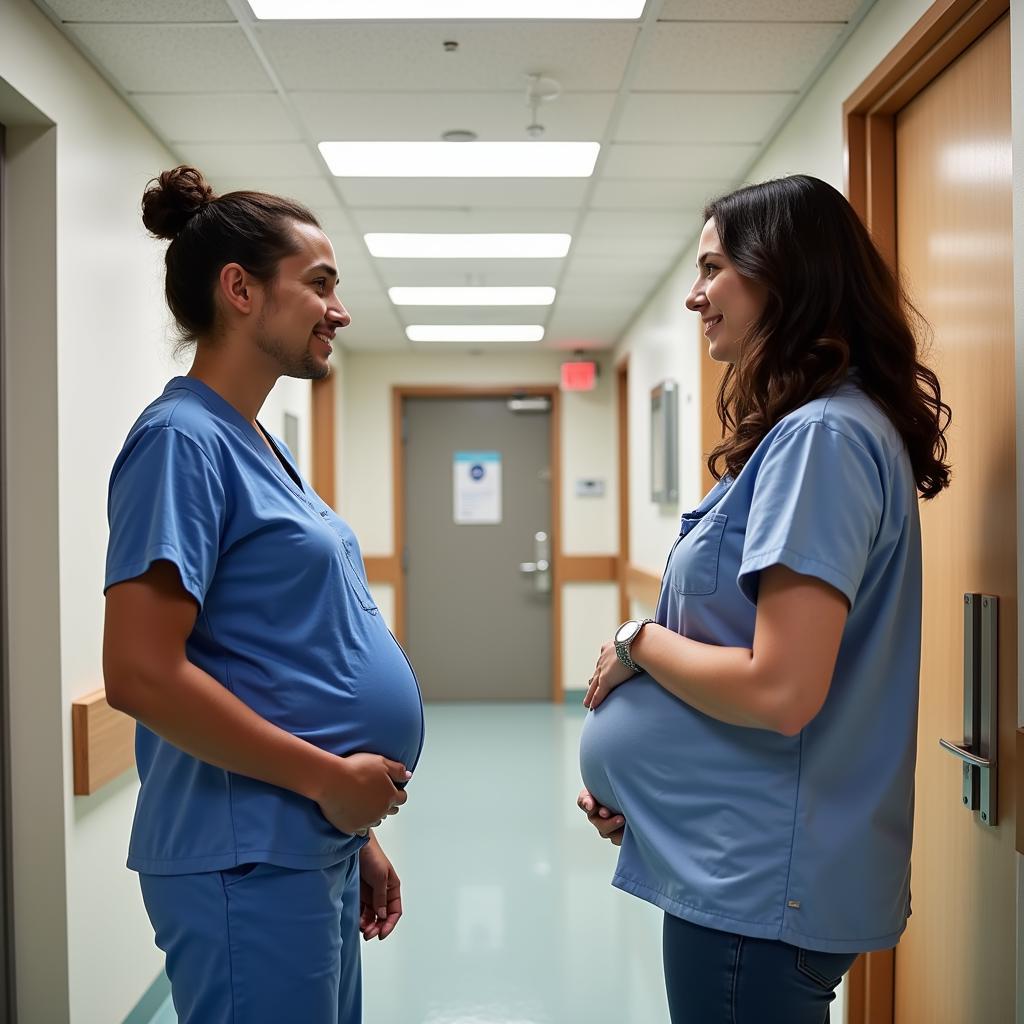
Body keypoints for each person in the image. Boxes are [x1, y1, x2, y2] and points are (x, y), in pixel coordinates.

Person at [576, 174, 950, 1024]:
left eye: (714, 268)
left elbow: (782, 691)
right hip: (738, 861)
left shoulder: (822, 437)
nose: (694, 295)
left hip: (760, 888)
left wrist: (637, 638)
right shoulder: (809, 428)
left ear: (782, 271)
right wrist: (655, 800)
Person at [103, 165, 424, 1024]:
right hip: (241, 853)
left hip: (300, 837)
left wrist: (353, 831)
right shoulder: (180, 442)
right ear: (239, 289)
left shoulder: (250, 440)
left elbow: (275, 654)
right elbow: (140, 673)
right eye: (319, 284)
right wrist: (328, 782)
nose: (340, 309)